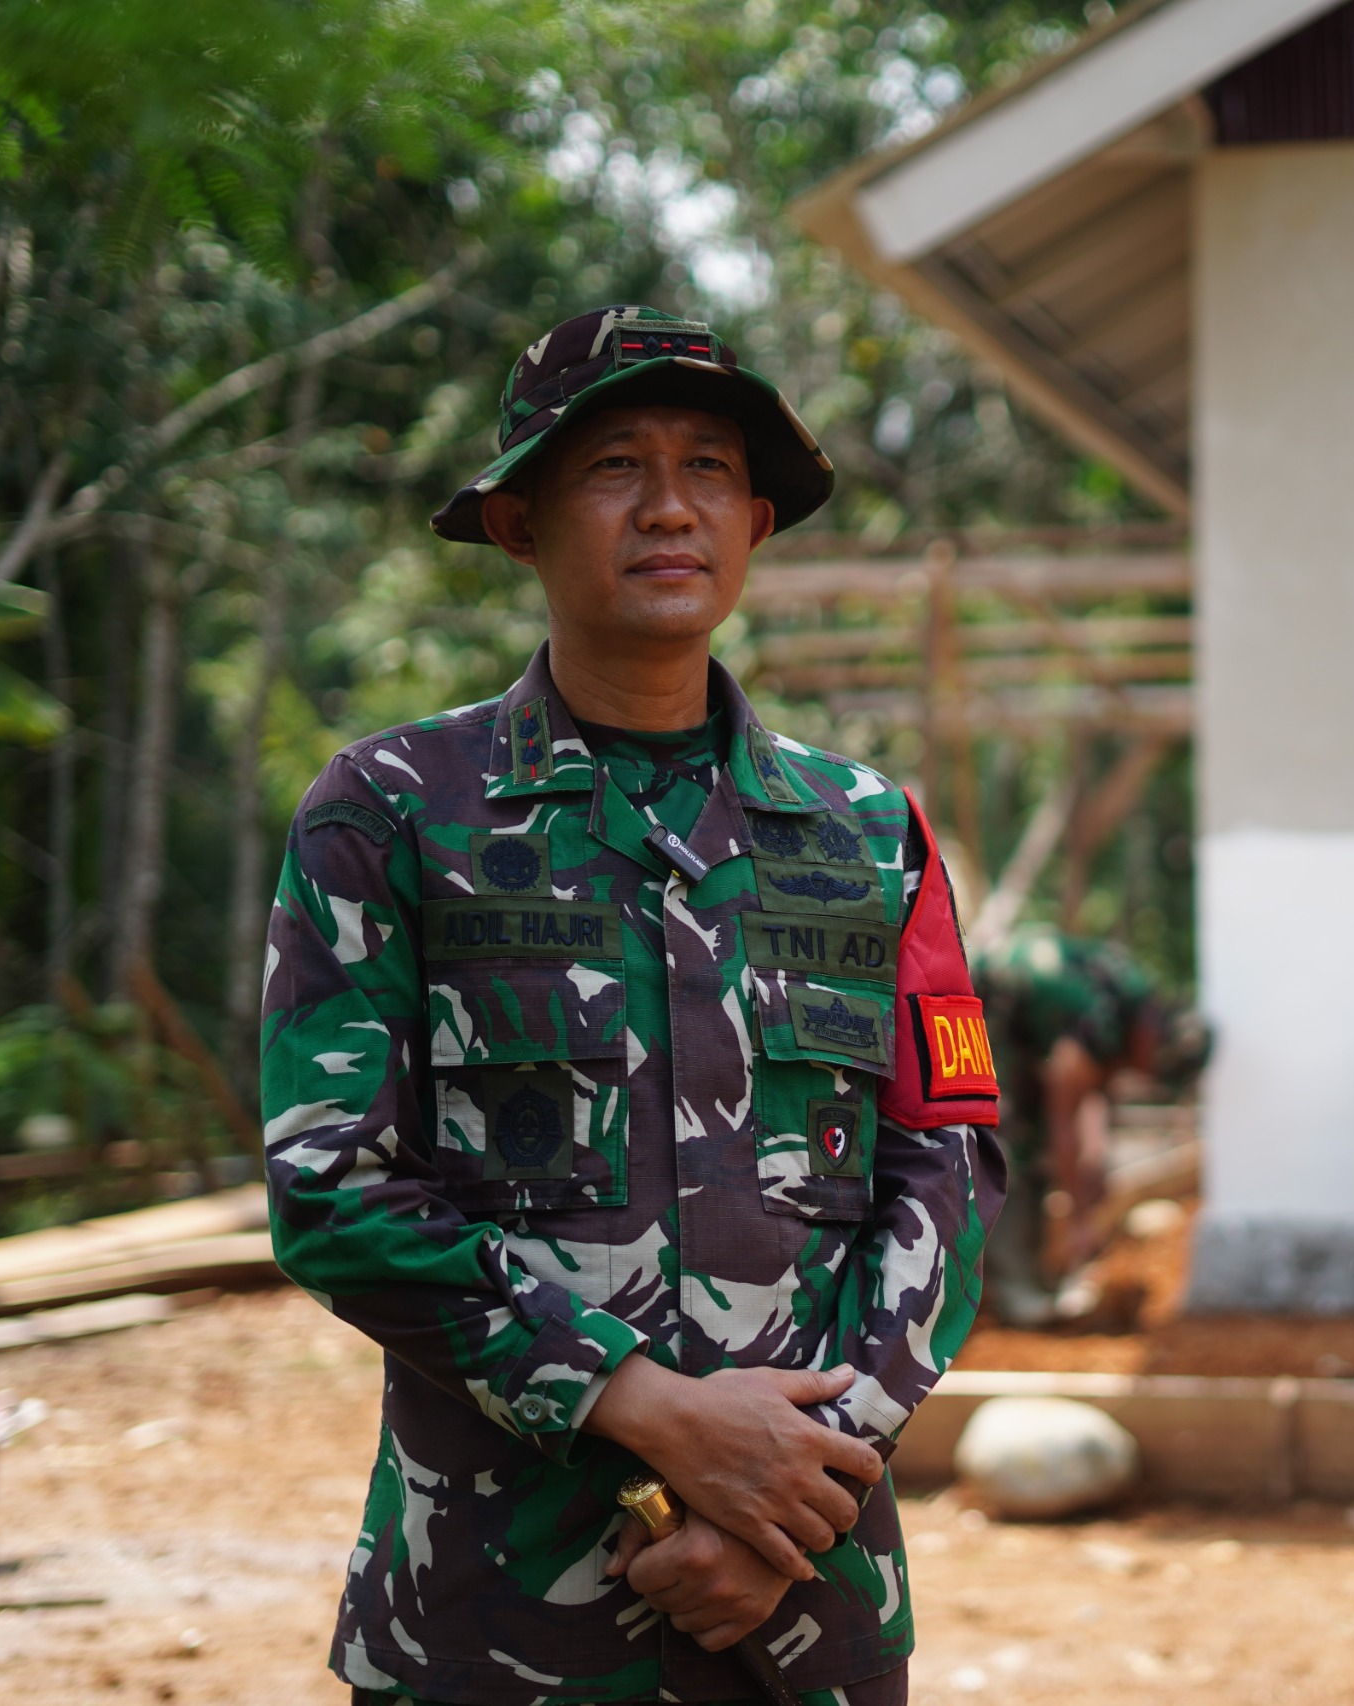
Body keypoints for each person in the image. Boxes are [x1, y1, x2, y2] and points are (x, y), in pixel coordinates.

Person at [261, 305, 1006, 1706]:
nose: (670, 506)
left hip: (804, 1613)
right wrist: (649, 1410)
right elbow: (332, 1186)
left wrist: (796, 1490)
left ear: (756, 521)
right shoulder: (390, 812)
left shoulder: (868, 831)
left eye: (708, 466)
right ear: (518, 521)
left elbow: (948, 1167)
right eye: (614, 466)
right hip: (495, 1612)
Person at [971, 926, 1208, 1327]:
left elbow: (1092, 1114)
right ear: (1153, 1041)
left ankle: (1034, 1276)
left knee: (1032, 1143)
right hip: (990, 999)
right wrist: (1080, 1216)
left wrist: (1090, 1202)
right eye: (1152, 1069)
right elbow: (1065, 1117)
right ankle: (1015, 1291)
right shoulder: (1104, 1019)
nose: (1145, 1075)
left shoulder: (1132, 1006)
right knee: (1008, 1141)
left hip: (1020, 1012)